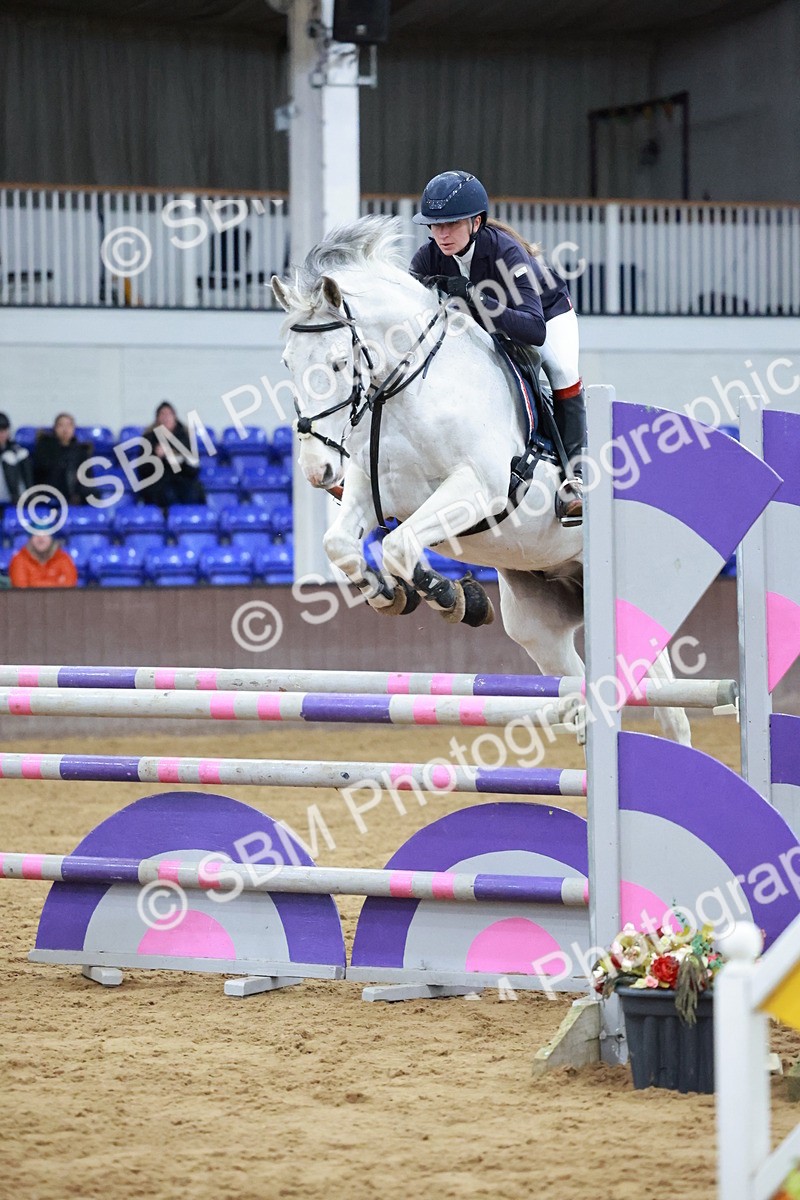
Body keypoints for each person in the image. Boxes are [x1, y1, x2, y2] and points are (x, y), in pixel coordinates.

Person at [410, 170, 586, 522]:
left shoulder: (506, 252)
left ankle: (574, 478)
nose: (442, 235)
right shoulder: (427, 258)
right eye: (435, 226)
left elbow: (533, 330)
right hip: (483, 325)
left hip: (545, 313)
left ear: (476, 222)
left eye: (451, 224)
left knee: (562, 370)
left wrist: (475, 297)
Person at [140, 401, 205, 510]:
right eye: (162, 414)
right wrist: (157, 457)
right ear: (157, 419)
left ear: (175, 417)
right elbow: (143, 471)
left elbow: (194, 469)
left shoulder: (186, 438)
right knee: (165, 494)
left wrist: (175, 456)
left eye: (169, 414)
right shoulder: (149, 439)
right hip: (159, 486)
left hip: (185, 483)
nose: (166, 418)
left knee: (193, 493)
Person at [32, 412, 91, 505]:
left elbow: (88, 478)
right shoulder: (44, 448)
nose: (65, 429)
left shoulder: (81, 452)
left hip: (75, 498)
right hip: (48, 496)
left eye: (69, 425)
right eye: (61, 425)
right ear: (55, 428)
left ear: (74, 429)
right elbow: (39, 474)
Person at [9, 529, 78, 588]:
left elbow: (69, 587)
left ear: (52, 538)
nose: (41, 539)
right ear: (30, 538)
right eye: (36, 534)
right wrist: (57, 584)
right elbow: (21, 590)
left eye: (45, 534)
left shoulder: (63, 558)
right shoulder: (19, 559)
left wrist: (32, 583)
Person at [0, 412, 34, 507]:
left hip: (15, 500)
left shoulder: (17, 450)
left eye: (3, 430)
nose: (1, 435)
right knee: (8, 457)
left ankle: (24, 499)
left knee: (20, 455)